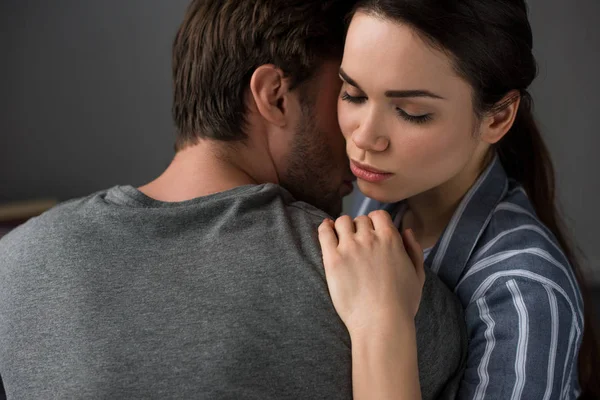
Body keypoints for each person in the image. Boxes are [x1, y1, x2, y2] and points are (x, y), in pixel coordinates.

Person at [0, 1, 467, 398]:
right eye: (349, 94)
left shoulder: (16, 262)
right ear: (275, 96)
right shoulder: (377, 283)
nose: (358, 142)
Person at [319, 0, 600, 398]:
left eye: (411, 112)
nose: (364, 137)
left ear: (497, 118)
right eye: (353, 94)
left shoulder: (524, 296)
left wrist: (381, 323)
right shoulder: (385, 199)